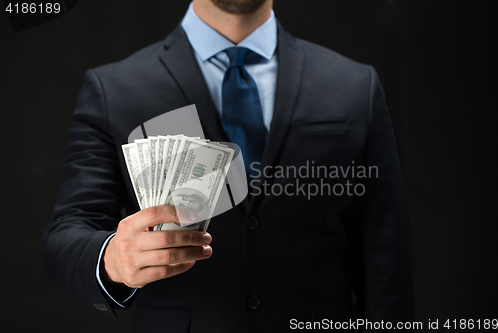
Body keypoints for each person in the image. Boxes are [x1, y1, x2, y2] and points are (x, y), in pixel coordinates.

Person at [41, 0, 414, 332]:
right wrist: (111, 259)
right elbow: (67, 233)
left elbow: (385, 253)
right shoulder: (114, 88)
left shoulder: (354, 85)